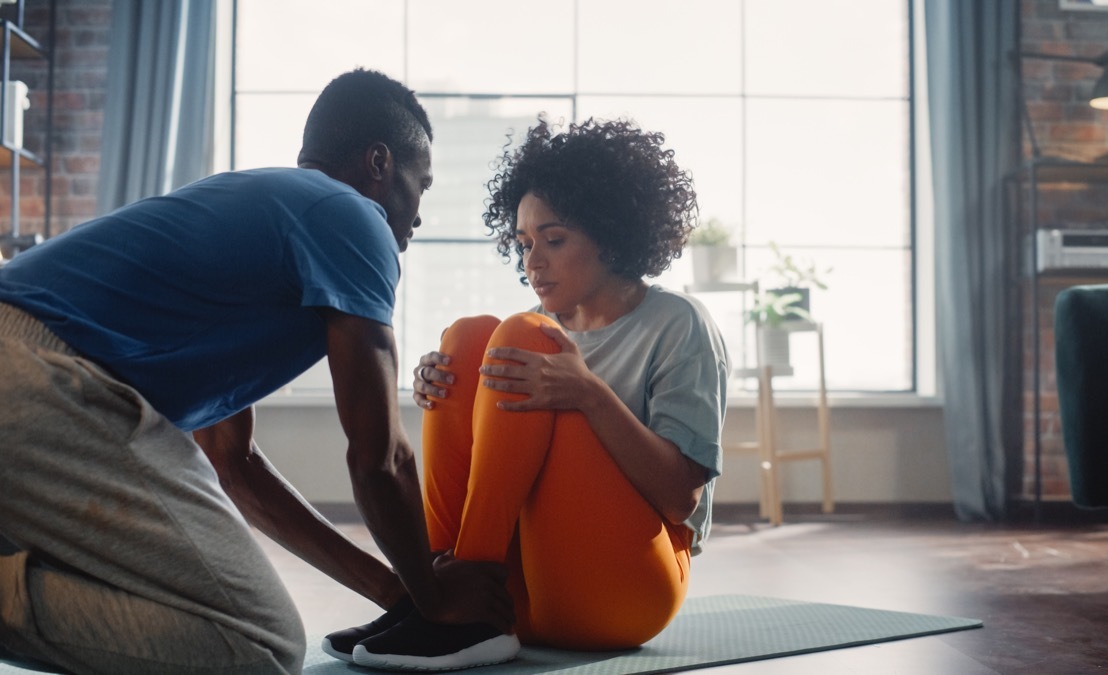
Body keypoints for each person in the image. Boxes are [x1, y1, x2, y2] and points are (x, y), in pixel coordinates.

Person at [0, 68, 511, 675]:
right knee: (262, 646)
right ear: (379, 162)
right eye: (419, 185)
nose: (418, 216)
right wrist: (435, 596)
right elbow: (380, 458)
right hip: (41, 374)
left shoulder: (259, 212)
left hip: (33, 374)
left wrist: (400, 595)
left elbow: (235, 463)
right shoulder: (354, 218)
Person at [325, 116, 728, 670]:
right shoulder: (535, 328)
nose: (532, 261)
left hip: (627, 594)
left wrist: (589, 392)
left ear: (610, 236)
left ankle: (461, 609)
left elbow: (682, 498)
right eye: (523, 243)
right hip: (520, 595)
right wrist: (448, 390)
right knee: (467, 338)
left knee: (521, 337)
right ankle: (435, 594)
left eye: (553, 240)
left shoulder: (677, 324)